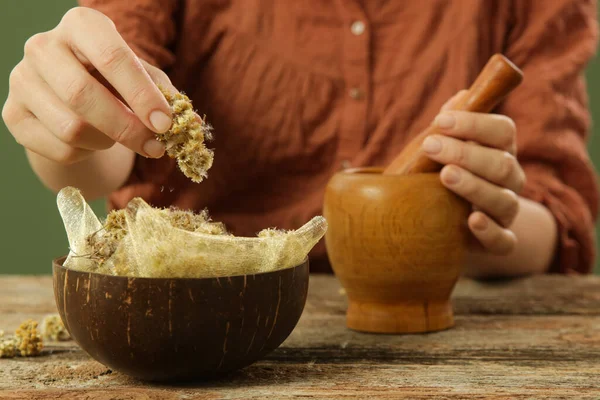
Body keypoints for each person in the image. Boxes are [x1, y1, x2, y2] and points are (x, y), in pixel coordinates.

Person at [2, 1, 598, 278]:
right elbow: (100, 156)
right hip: (196, 305)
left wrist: (481, 225)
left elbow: (560, 218)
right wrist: (64, 124)